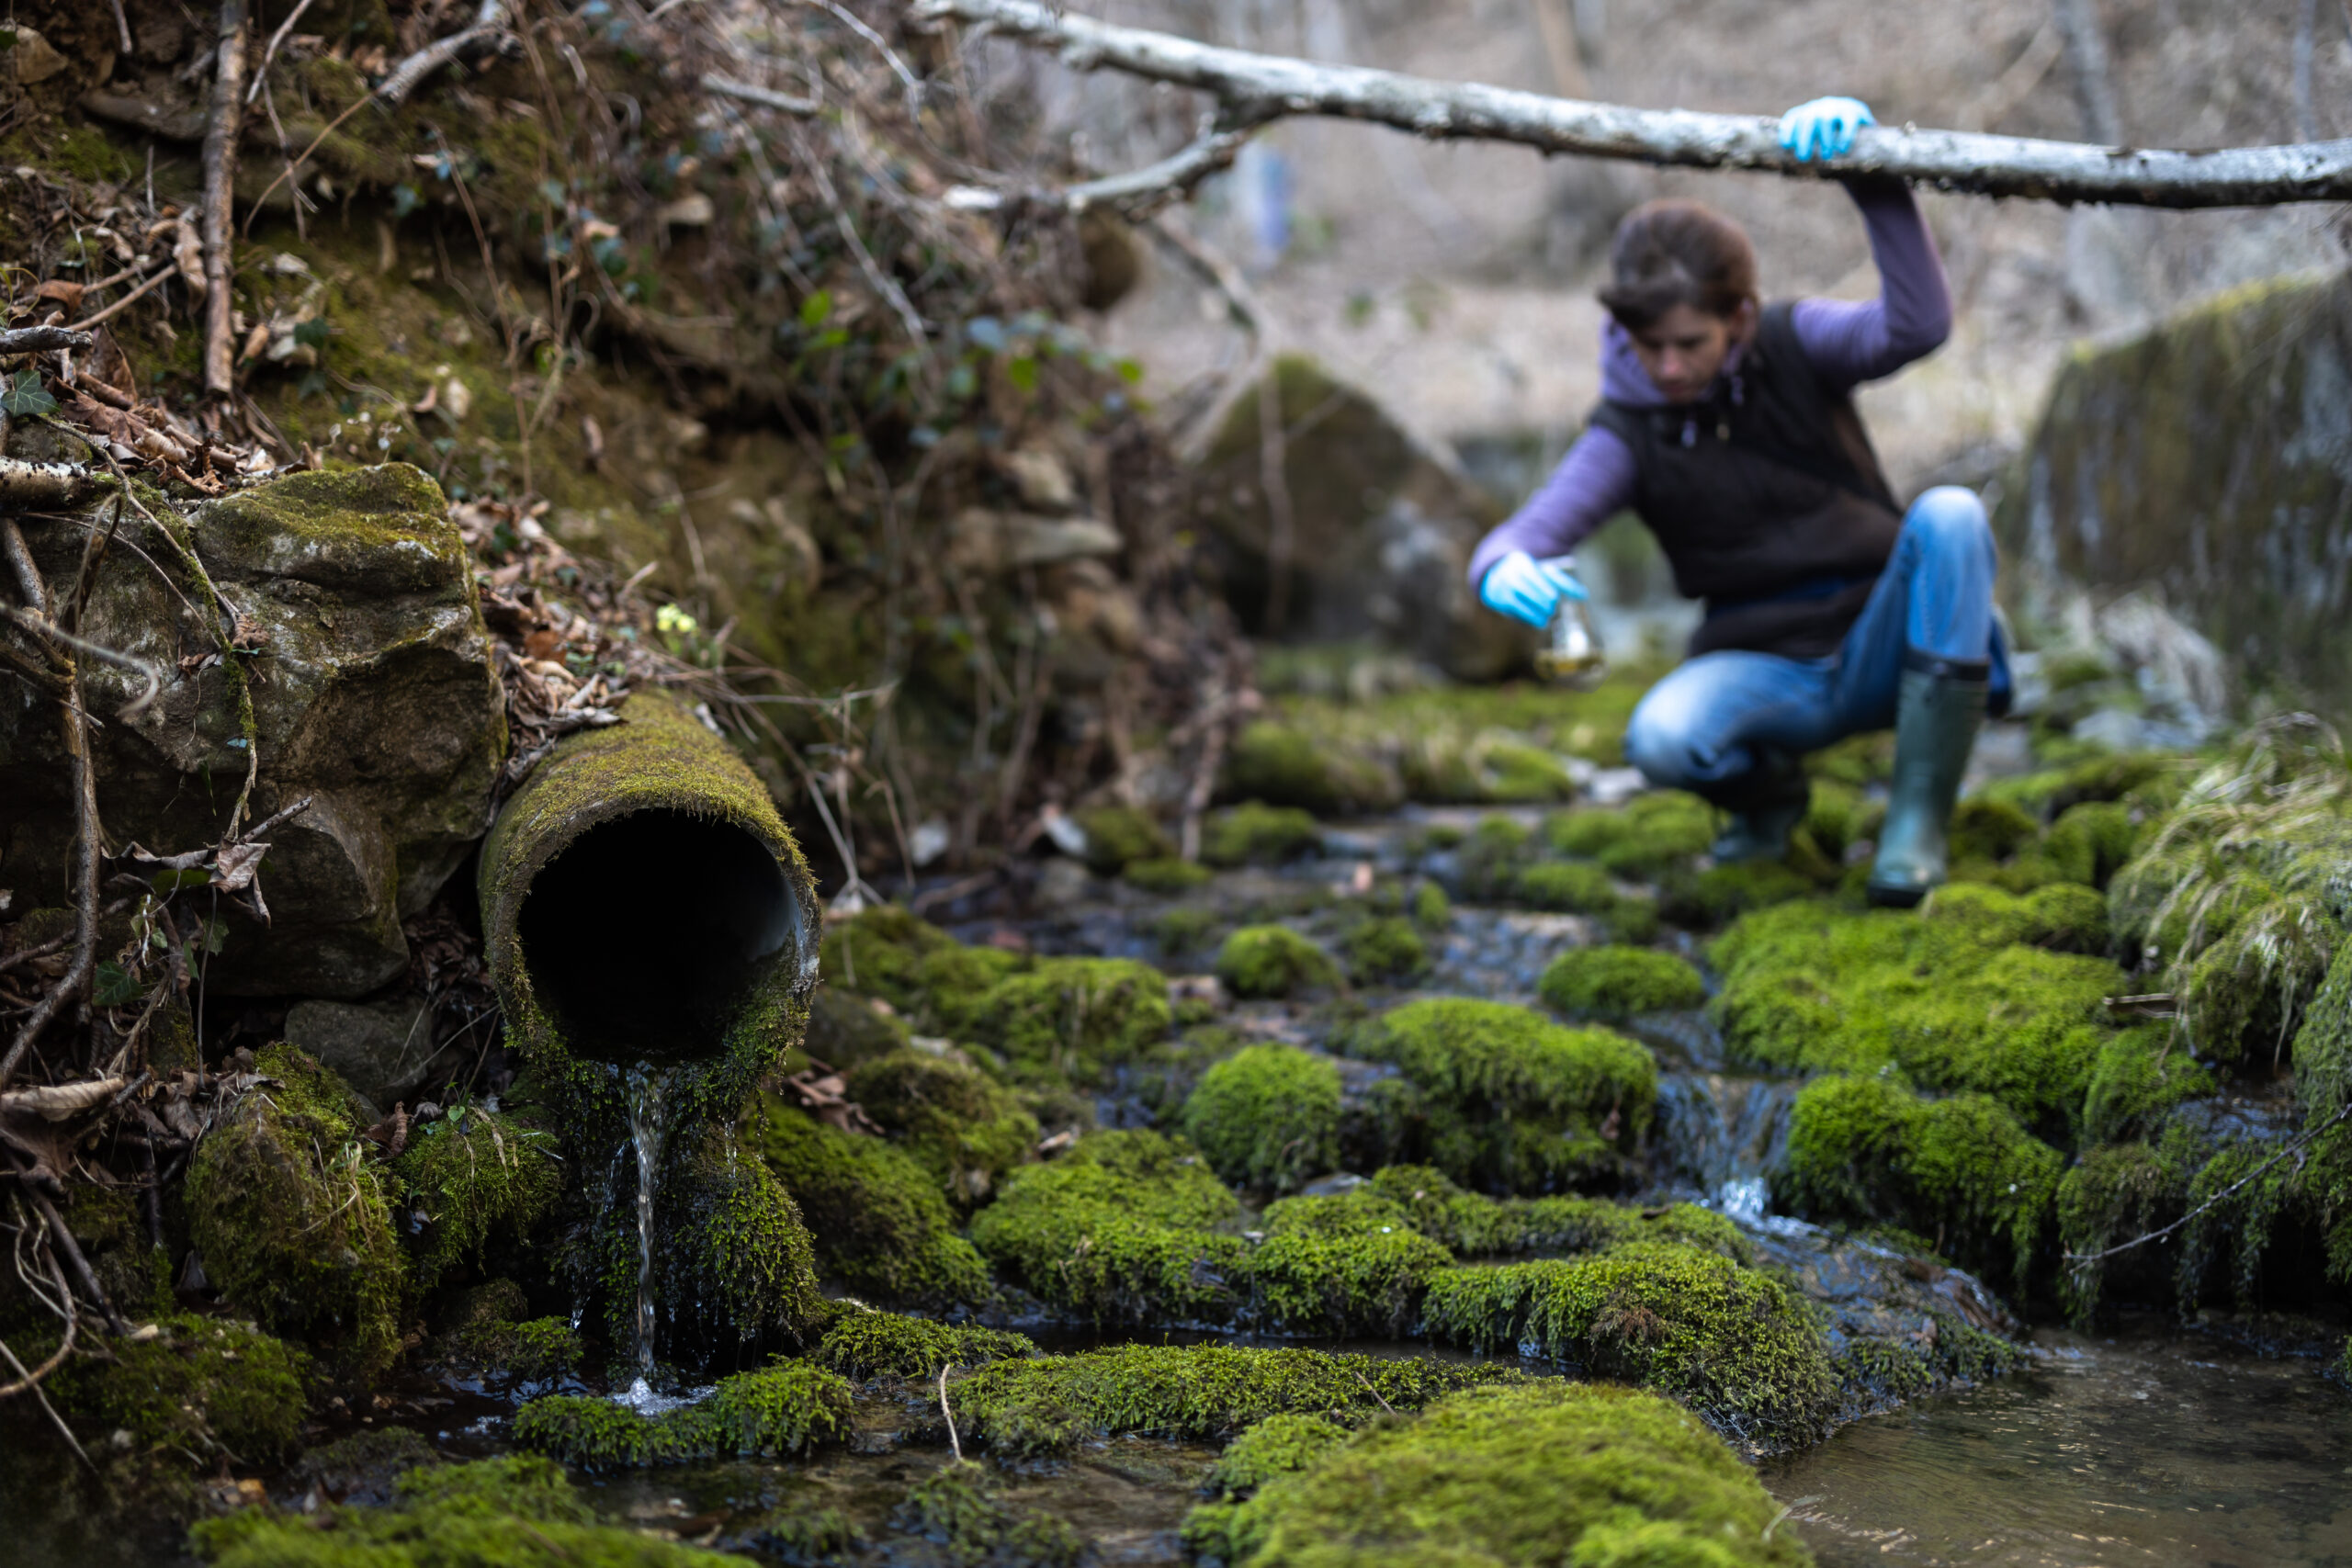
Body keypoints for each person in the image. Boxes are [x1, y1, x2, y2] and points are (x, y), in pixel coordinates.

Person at [1466, 96, 2006, 908]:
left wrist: (1875, 179)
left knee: (1953, 513)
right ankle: (1768, 801)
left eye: (1691, 344)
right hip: (1765, 673)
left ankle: (1916, 825)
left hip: (1879, 640)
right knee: (1659, 736)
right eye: (1651, 347)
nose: (1670, 367)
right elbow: (1528, 530)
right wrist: (1499, 566)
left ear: (1739, 318)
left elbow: (1915, 328)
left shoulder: (1795, 342)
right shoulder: (1628, 431)